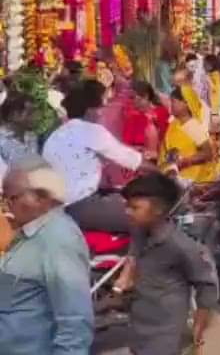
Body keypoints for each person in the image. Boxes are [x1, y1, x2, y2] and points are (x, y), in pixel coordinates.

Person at [115, 173, 218, 355]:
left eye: (134, 207)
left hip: (166, 335)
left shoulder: (181, 246)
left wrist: (199, 326)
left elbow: (207, 286)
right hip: (139, 327)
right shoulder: (140, 233)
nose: (127, 212)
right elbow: (134, 256)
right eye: (127, 206)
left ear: (159, 210)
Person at [0, 157, 92, 354]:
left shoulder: (59, 240)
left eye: (12, 198)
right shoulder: (28, 235)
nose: (7, 206)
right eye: (4, 198)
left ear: (42, 197)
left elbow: (75, 321)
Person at [43, 80, 147, 233]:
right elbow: (132, 160)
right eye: (101, 106)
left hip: (59, 207)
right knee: (145, 217)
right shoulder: (90, 130)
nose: (103, 112)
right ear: (90, 110)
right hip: (80, 206)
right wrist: (161, 171)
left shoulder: (57, 134)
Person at [161, 87, 220, 185]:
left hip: (193, 181)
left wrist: (185, 161)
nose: (171, 105)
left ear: (186, 103)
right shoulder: (173, 124)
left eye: (174, 102)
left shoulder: (192, 126)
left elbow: (208, 153)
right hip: (175, 179)